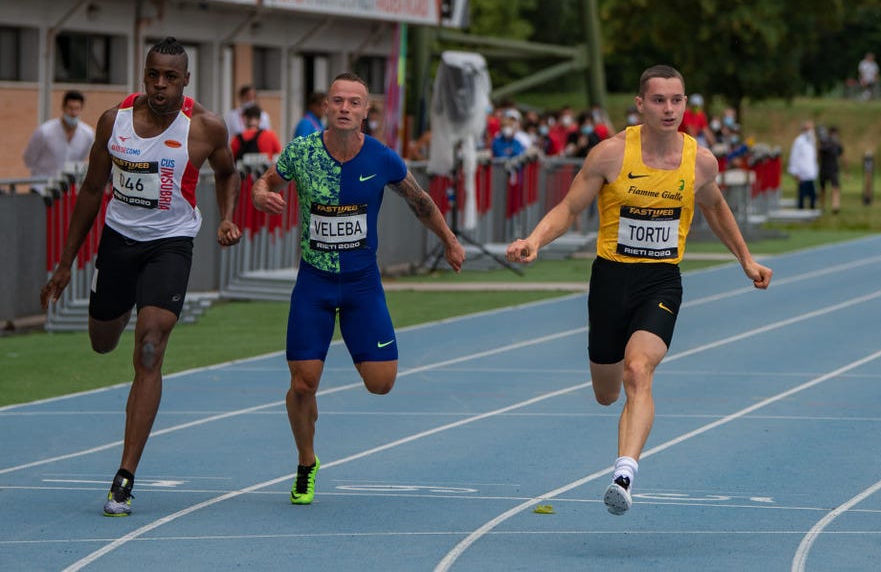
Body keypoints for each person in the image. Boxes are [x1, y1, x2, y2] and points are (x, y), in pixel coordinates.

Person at [505, 65, 772, 516]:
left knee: (638, 371)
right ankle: (621, 447)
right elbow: (570, 207)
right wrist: (533, 239)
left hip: (661, 281)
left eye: (677, 100)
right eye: (659, 100)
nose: (669, 109)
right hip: (610, 280)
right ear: (641, 104)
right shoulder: (610, 155)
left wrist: (746, 260)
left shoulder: (700, 161)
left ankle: (623, 475)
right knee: (607, 391)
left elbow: (716, 209)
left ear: (686, 104)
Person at [39, 37, 243, 517]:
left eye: (171, 77)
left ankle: (124, 476)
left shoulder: (205, 128)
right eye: (153, 74)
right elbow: (91, 190)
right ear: (144, 74)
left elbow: (227, 172)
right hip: (118, 242)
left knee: (150, 346)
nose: (160, 85)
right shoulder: (114, 122)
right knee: (102, 341)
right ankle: (119, 303)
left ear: (186, 81)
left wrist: (227, 216)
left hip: (170, 245)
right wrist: (67, 263)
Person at [250, 72, 466, 506]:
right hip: (314, 282)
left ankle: (356, 345)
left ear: (366, 111)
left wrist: (450, 240)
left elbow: (419, 200)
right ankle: (306, 462)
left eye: (354, 102)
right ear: (326, 108)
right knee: (303, 383)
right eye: (338, 101)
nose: (345, 108)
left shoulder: (382, 158)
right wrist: (259, 195)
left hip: (362, 285)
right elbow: (266, 182)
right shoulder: (304, 152)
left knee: (381, 383)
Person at [22, 90, 96, 185]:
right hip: (41, 187)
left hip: (69, 191)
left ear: (81, 109)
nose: (73, 113)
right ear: (63, 107)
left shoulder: (88, 134)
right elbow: (29, 159)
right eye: (70, 108)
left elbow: (82, 159)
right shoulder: (44, 131)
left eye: (77, 108)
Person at [788, 121, 818, 210]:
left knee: (813, 196)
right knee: (802, 196)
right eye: (809, 129)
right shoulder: (799, 141)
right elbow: (794, 157)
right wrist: (795, 172)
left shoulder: (812, 141)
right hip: (802, 174)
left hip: (811, 173)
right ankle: (800, 211)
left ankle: (812, 211)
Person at [818, 125, 845, 214]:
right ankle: (822, 206)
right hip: (825, 168)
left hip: (833, 168)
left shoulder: (837, 144)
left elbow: (842, 156)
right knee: (823, 189)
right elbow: (819, 155)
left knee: (835, 188)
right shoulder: (824, 143)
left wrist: (846, 170)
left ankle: (835, 206)